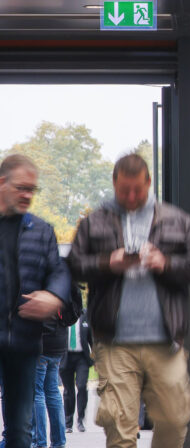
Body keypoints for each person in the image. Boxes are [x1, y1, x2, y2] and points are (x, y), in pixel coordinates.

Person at [66, 153, 190, 448]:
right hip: (114, 341)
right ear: (114, 184)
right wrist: (108, 262)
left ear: (149, 183)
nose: (130, 196)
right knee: (119, 428)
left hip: (165, 341)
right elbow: (75, 265)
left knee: (174, 418)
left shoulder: (177, 219)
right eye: (123, 190)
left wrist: (165, 263)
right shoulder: (95, 221)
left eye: (137, 190)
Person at [0, 155, 71, 448]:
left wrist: (53, 295)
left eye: (33, 189)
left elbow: (59, 272)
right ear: (2, 183)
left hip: (25, 343)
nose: (28, 194)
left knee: (20, 432)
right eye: (21, 188)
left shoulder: (42, 230)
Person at [33, 315, 69, 448]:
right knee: (53, 390)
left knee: (37, 393)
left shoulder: (43, 292)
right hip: (58, 341)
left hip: (41, 340)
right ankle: (59, 442)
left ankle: (39, 442)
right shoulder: (67, 293)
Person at [61, 304, 93, 433]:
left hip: (82, 358)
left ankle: (80, 419)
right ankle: (68, 422)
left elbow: (91, 337)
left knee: (81, 386)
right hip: (66, 358)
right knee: (68, 390)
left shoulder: (85, 316)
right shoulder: (62, 314)